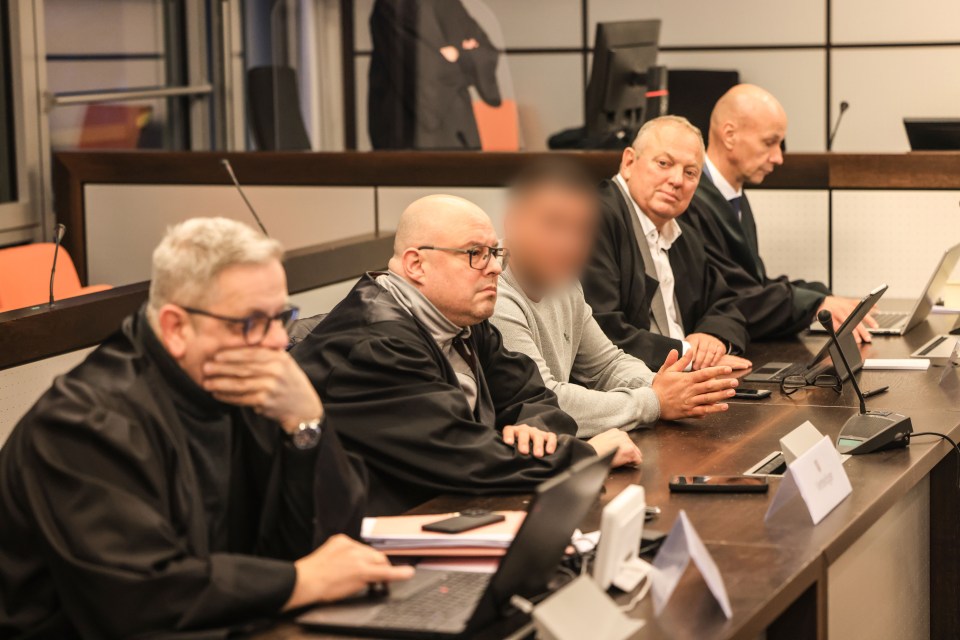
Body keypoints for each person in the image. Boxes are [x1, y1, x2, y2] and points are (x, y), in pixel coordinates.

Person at [0, 218, 413, 639]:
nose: (276, 342)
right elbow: (140, 602)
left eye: (281, 317)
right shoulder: (83, 425)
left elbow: (329, 544)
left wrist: (307, 422)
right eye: (253, 323)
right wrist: (299, 581)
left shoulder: (241, 383)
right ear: (176, 327)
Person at [292, 195, 642, 516]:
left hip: (447, 508)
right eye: (475, 254)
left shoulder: (462, 320)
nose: (494, 268)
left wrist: (534, 427)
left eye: (494, 253)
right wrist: (589, 456)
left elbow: (532, 394)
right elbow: (464, 455)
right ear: (416, 265)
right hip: (375, 535)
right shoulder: (377, 344)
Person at [492, 159, 742, 437]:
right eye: (553, 224)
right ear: (512, 221)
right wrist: (655, 400)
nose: (568, 243)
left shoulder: (564, 281)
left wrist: (666, 385)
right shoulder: (493, 293)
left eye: (580, 230)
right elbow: (547, 401)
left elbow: (605, 365)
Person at [684, 84, 876, 342]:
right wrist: (812, 302)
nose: (778, 158)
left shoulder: (732, 196)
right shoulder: (690, 200)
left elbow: (754, 282)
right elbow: (731, 295)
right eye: (769, 143)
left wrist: (820, 297)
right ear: (729, 135)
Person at [582, 115, 751, 371]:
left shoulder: (683, 233)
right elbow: (600, 331)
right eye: (664, 163)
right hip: (623, 393)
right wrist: (688, 355)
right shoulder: (592, 219)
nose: (677, 180)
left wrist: (712, 337)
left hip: (688, 380)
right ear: (629, 162)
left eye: (690, 172)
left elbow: (726, 302)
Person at [368, 0, 501, 150]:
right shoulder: (393, 4)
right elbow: (423, 65)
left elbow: (487, 51)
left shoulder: (449, 4)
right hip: (408, 126)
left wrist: (457, 54)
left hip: (458, 125)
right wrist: (465, 59)